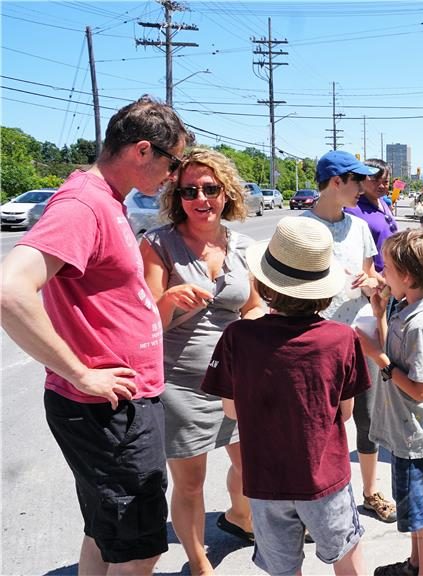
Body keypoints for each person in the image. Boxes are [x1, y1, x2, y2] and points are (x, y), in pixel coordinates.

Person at [0, 95, 190, 574]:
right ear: (143, 151)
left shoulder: (105, 198)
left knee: (105, 533)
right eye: (172, 162)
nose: (173, 175)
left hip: (115, 407)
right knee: (139, 546)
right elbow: (10, 291)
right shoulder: (84, 203)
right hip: (107, 411)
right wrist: (81, 373)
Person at [201, 216, 368, 576]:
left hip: (265, 482)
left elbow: (230, 411)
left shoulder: (238, 337)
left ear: (265, 281)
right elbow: (347, 412)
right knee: (347, 559)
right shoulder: (342, 339)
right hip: (324, 478)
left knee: (283, 569)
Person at [139, 148, 264, 574]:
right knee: (190, 484)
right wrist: (170, 299)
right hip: (180, 382)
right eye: (189, 190)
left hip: (234, 379)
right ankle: (199, 562)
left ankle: (240, 517)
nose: (200, 198)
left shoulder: (241, 245)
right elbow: (144, 321)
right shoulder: (158, 244)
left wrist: (259, 323)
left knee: (252, 467)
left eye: (210, 188)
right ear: (178, 196)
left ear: (226, 193)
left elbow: (251, 306)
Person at [304, 150, 397, 523]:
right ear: (336, 182)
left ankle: (371, 491)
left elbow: (374, 281)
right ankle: (322, 495)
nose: (363, 187)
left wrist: (371, 282)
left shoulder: (358, 228)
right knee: (322, 424)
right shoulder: (300, 229)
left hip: (360, 336)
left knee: (368, 419)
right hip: (316, 340)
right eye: (357, 180)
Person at [359, 229, 423, 576]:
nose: (382, 275)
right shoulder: (403, 307)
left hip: (416, 437)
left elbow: (421, 389)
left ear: (407, 277)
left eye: (388, 269)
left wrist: (377, 358)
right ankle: (414, 564)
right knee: (414, 511)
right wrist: (379, 312)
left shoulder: (421, 324)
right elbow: (394, 351)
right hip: (403, 431)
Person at [346, 158, 399, 274]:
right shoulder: (352, 210)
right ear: (362, 179)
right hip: (373, 282)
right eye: (375, 180)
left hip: (392, 277)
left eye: (385, 182)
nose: (381, 186)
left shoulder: (383, 202)